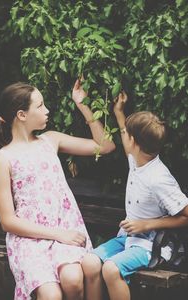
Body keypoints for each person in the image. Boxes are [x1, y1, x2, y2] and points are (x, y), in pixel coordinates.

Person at [0, 79, 115, 300]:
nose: (47, 110)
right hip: (29, 240)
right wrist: (59, 235)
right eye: (40, 106)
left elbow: (105, 146)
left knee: (74, 280)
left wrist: (82, 105)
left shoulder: (51, 141)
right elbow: (7, 221)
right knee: (51, 295)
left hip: (65, 229)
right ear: (21, 115)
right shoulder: (2, 159)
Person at [81, 91, 188, 300]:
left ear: (133, 142)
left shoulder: (158, 178)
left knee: (111, 269)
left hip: (152, 246)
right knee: (89, 263)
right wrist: (118, 111)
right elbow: (124, 131)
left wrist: (146, 225)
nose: (124, 138)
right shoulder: (138, 158)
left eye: (127, 135)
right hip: (128, 239)